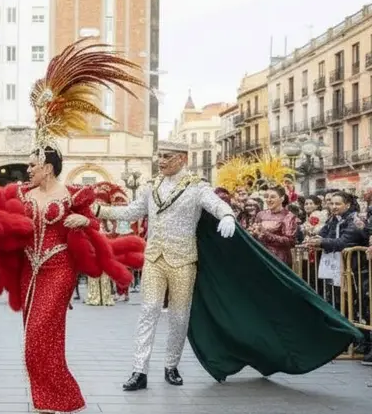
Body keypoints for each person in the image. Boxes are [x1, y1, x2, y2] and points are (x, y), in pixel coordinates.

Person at [0, 40, 146, 414]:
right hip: (30, 270)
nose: (26, 170)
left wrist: (84, 223)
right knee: (34, 338)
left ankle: (47, 406)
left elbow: (94, 225)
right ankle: (55, 398)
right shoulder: (23, 195)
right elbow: (5, 225)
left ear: (48, 165)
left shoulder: (75, 194)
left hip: (60, 268)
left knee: (41, 335)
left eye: (32, 164)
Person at [97, 148, 359, 387]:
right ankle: (139, 370)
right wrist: (97, 209)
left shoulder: (196, 187)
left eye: (167, 156)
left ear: (182, 159)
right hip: (155, 258)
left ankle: (171, 366)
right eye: (160, 156)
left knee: (179, 316)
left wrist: (228, 216)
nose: (161, 161)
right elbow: (130, 212)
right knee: (149, 310)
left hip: (184, 260)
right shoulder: (151, 187)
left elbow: (218, 205)